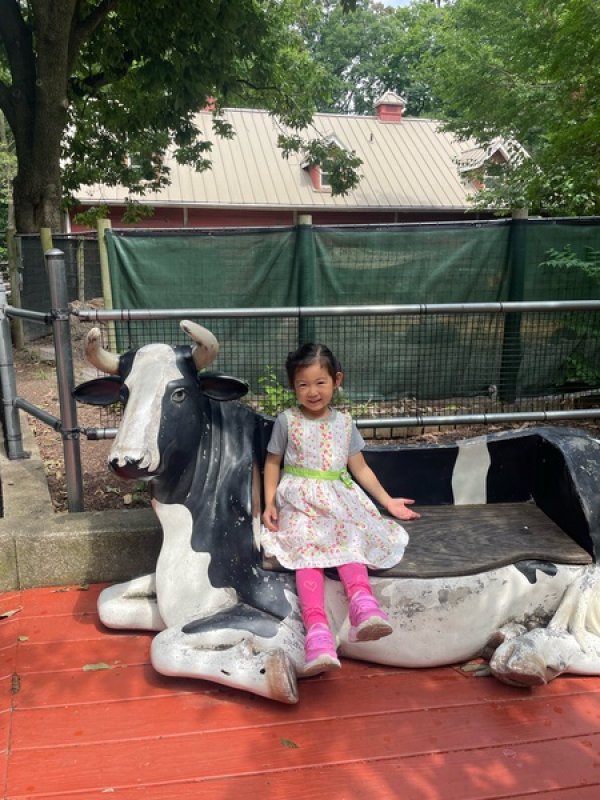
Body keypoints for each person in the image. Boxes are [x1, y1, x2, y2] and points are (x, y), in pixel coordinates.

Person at [261, 343, 420, 677]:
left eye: (320, 382)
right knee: (306, 551)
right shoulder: (287, 421)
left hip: (338, 499)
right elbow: (272, 462)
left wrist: (387, 500)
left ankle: (363, 605)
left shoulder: (345, 423)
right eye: (303, 384)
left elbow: (360, 468)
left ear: (337, 380)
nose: (312, 391)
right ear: (293, 387)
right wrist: (269, 502)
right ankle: (317, 632)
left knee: (350, 537)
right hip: (300, 502)